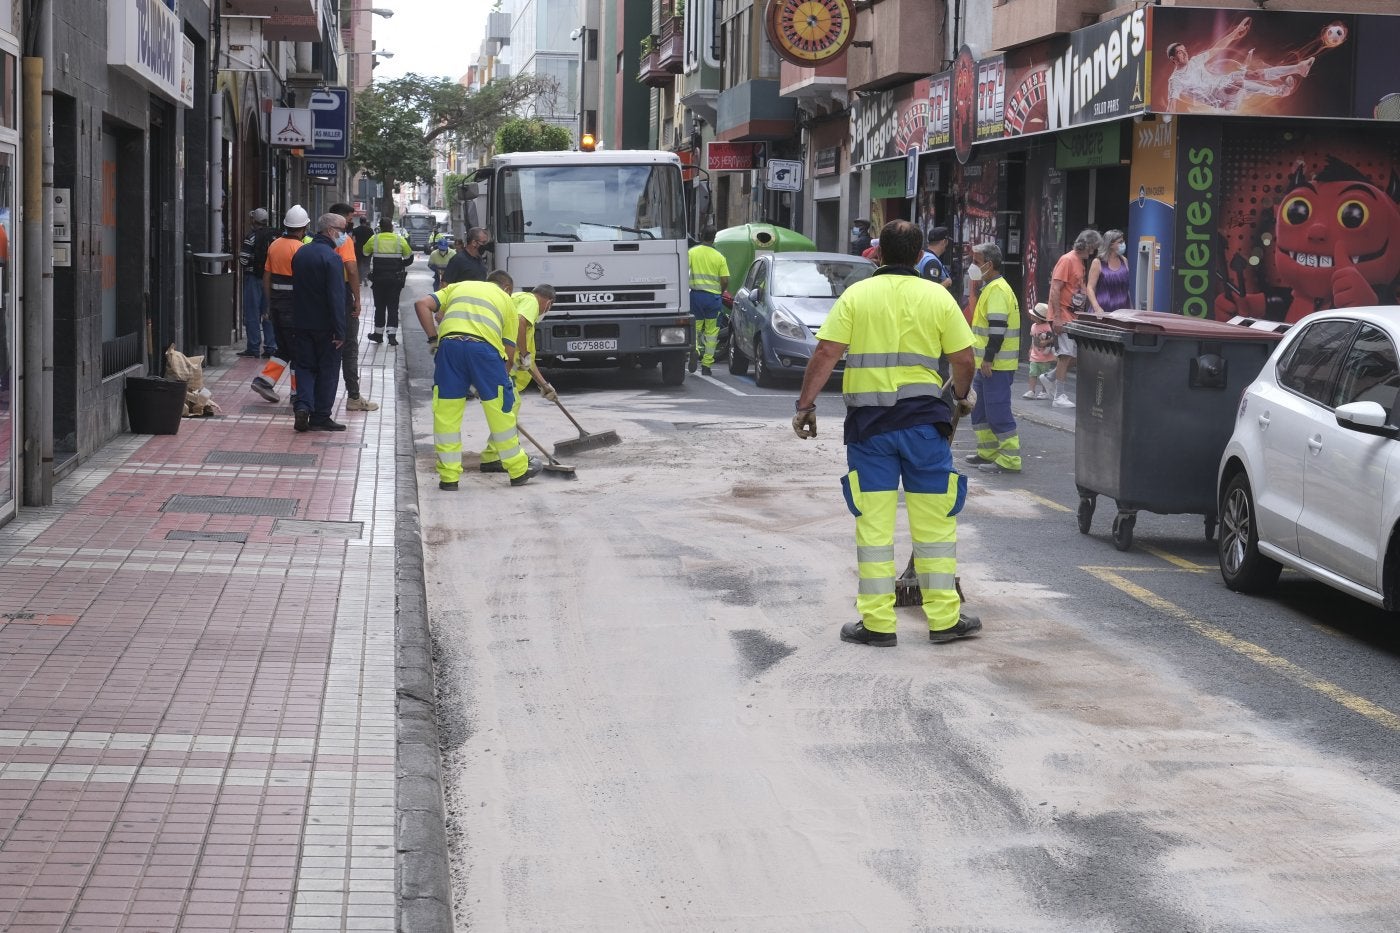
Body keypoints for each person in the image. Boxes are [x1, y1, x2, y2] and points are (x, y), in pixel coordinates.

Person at [793, 219, 980, 647]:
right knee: (935, 527)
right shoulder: (938, 296)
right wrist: (963, 396)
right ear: (919, 256)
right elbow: (963, 358)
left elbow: (826, 352)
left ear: (877, 255)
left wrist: (805, 406)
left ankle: (877, 626)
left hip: (870, 430)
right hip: (923, 428)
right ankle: (944, 622)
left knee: (874, 530)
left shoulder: (857, 295)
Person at [413, 269, 543, 490]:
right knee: (500, 411)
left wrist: (433, 339)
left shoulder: (457, 287)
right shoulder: (507, 301)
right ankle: (518, 469)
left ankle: (449, 477)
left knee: (447, 413)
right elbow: (509, 351)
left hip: (450, 348)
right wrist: (498, 381)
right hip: (485, 351)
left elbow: (421, 304)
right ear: (507, 289)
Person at [962, 242, 1022, 475]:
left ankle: (1009, 458)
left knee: (997, 411)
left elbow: (998, 328)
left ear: (989, 264)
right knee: (980, 410)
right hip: (985, 364)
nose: (972, 266)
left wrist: (988, 359)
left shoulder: (997, 290)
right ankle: (987, 452)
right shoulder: (991, 288)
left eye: (976, 262)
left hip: (995, 365)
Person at [1166, 18, 1313, 113]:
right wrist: (1167, 120)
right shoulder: (1176, 80)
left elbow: (1217, 48)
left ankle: (1299, 68)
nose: (1185, 53)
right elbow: (1172, 103)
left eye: (1184, 50)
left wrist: (1235, 32)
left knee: (1254, 74)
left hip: (1224, 83)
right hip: (1221, 100)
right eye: (1180, 52)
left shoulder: (1195, 61)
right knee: (1237, 82)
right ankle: (1280, 91)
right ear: (1173, 59)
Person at [290, 214, 351, 433]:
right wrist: (340, 331)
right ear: (332, 231)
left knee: (304, 367)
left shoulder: (301, 253)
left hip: (301, 321)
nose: (345, 234)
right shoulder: (332, 258)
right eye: (343, 230)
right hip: (325, 327)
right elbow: (336, 297)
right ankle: (321, 416)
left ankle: (303, 405)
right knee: (328, 370)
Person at [251, 205, 312, 404]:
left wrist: (268, 305)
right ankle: (295, 394)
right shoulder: (301, 250)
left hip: (276, 307)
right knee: (297, 351)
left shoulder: (275, 245)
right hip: (293, 309)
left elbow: (267, 276)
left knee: (284, 348)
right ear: (304, 228)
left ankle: (264, 381)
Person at [1042, 228, 1103, 409]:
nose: (1095, 251)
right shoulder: (1067, 260)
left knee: (1074, 355)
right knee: (1066, 354)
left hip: (1073, 315)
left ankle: (1050, 378)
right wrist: (1057, 317)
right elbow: (1055, 288)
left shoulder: (1079, 261)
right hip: (1064, 315)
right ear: (1088, 245)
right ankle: (1059, 395)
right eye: (1094, 247)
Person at [328, 203, 378, 412]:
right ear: (339, 220)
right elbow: (352, 268)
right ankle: (354, 397)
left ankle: (308, 396)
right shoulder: (343, 240)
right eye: (349, 219)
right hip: (342, 296)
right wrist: (357, 299)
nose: (350, 223)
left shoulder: (310, 240)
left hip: (318, 299)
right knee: (349, 348)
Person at [687, 227, 729, 376]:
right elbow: (725, 279)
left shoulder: (692, 252)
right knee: (712, 333)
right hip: (713, 298)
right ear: (714, 239)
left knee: (696, 328)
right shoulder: (719, 257)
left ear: (701, 235)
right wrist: (720, 291)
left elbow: (684, 271)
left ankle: (695, 350)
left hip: (696, 296)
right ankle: (706, 366)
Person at [238, 207, 279, 358]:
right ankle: (271, 347)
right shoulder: (274, 236)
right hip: (271, 279)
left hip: (254, 278)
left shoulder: (251, 237)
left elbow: (243, 259)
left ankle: (253, 347)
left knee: (252, 313)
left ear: (253, 220)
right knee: (267, 312)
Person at [364, 218, 413, 345]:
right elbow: (409, 257)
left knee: (379, 307)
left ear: (380, 227)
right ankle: (392, 336)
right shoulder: (399, 239)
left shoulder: (374, 239)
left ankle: (378, 335)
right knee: (393, 307)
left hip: (378, 279)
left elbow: (365, 252)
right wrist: (400, 264)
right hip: (394, 280)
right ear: (391, 227)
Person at [1087, 228, 1132, 315]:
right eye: (1120, 242)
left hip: (1122, 311)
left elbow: (1126, 289)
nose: (1123, 244)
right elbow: (1090, 288)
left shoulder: (1124, 260)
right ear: (1110, 244)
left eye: (1123, 241)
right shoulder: (1098, 262)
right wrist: (1097, 308)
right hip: (1103, 311)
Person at [1024, 303, 1055, 400]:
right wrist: (1030, 349)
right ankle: (1031, 390)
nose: (1032, 316)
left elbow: (1052, 338)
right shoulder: (1033, 326)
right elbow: (1033, 339)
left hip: (1045, 357)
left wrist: (1045, 342)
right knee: (1032, 372)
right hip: (1035, 354)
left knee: (1043, 375)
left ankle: (1044, 391)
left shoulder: (1047, 327)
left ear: (1039, 318)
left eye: (1034, 315)